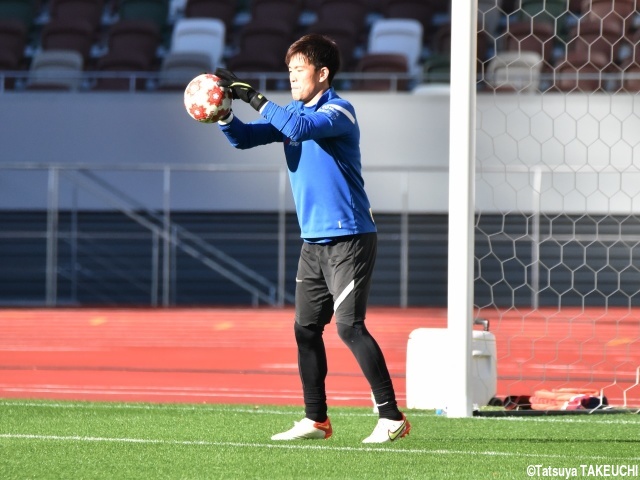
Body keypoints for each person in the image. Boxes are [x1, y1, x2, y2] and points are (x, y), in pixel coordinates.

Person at [213, 33, 410, 444]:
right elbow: (244, 139)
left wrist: (255, 98)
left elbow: (299, 128)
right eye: (288, 70)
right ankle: (316, 419)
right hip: (313, 242)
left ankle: (391, 417)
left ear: (322, 73)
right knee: (305, 330)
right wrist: (224, 114)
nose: (291, 77)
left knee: (350, 327)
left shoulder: (339, 111)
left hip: (350, 237)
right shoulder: (292, 115)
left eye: (298, 69)